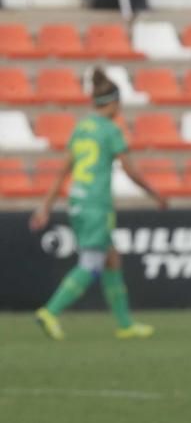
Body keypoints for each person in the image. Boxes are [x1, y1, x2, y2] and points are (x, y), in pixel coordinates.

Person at [30, 68, 165, 340]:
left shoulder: (82, 128)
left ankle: (125, 324)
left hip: (77, 200)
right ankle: (50, 311)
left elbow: (62, 171)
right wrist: (154, 193)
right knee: (92, 263)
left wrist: (45, 206)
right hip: (96, 204)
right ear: (114, 103)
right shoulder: (110, 130)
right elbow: (129, 169)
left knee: (112, 259)